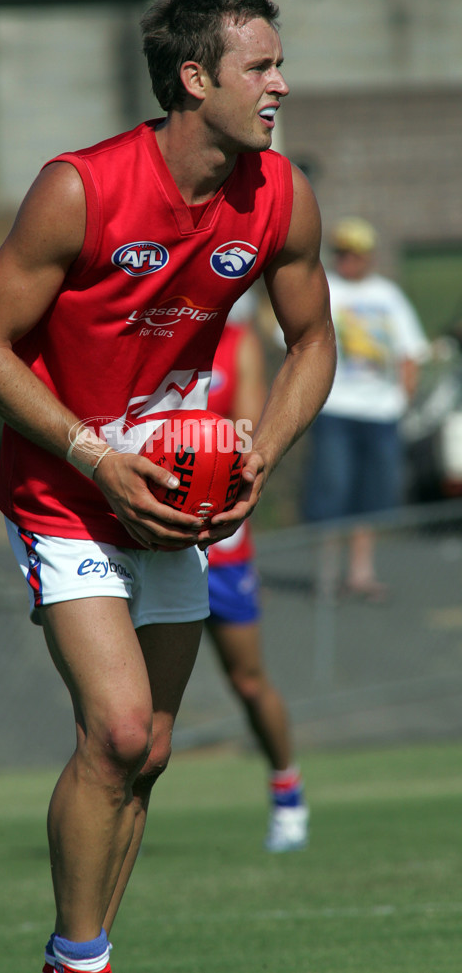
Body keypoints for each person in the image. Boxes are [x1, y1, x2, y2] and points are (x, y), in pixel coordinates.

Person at [0, 0, 335, 973]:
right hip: (63, 493)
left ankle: (87, 955)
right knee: (116, 729)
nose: (281, 84)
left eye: (281, 63)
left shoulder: (281, 195)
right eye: (263, 65)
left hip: (174, 501)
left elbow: (314, 342)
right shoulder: (79, 186)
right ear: (196, 77)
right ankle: (75, 958)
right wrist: (93, 455)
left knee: (150, 750)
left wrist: (260, 450)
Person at [207, 299, 309, 852]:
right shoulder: (148, 328)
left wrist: (191, 453)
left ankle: (288, 793)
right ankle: (117, 811)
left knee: (248, 680)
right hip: (148, 533)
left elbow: (244, 432)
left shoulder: (237, 340)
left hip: (218, 539)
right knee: (135, 699)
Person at [303, 216, 428, 601]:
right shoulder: (323, 290)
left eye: (353, 253)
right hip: (335, 408)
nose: (346, 260)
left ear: (368, 256)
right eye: (340, 252)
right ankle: (326, 574)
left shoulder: (387, 295)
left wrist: (403, 400)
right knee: (331, 491)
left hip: (380, 413)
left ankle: (360, 573)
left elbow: (411, 350)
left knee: (371, 496)